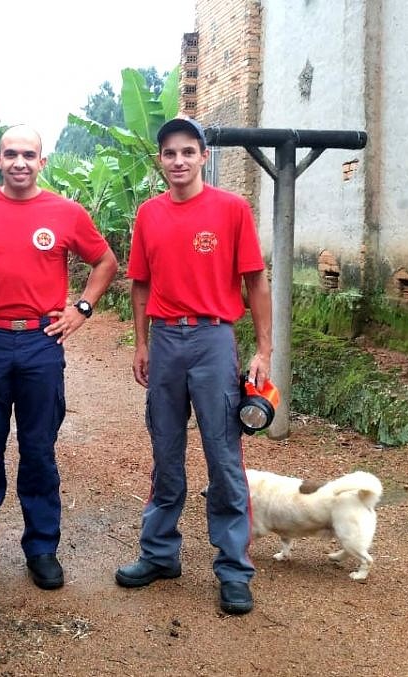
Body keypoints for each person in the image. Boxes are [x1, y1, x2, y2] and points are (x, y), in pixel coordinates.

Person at [0, 125, 117, 590]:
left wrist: (81, 308)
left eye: (29, 155)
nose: (20, 162)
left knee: (39, 449)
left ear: (43, 161)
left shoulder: (66, 212)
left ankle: (42, 548)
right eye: (11, 154)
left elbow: (106, 262)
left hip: (41, 343)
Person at [114, 117, 273, 615]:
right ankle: (160, 554)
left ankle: (233, 570)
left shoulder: (231, 209)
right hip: (164, 339)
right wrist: (141, 342)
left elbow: (255, 281)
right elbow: (139, 283)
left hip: (212, 338)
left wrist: (264, 349)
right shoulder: (149, 215)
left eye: (188, 151)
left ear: (203, 156)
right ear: (160, 161)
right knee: (165, 450)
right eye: (169, 153)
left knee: (224, 456)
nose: (178, 161)